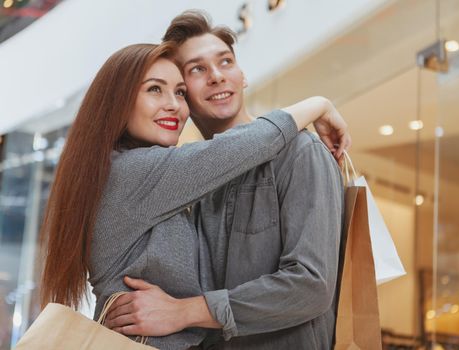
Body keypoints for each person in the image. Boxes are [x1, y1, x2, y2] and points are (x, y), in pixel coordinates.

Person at [39, 41, 350, 349]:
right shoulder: (132, 171)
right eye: (154, 89)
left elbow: (310, 285)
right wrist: (319, 105)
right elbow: (238, 147)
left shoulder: (145, 178)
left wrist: (184, 312)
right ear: (118, 101)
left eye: (179, 92)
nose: (174, 104)